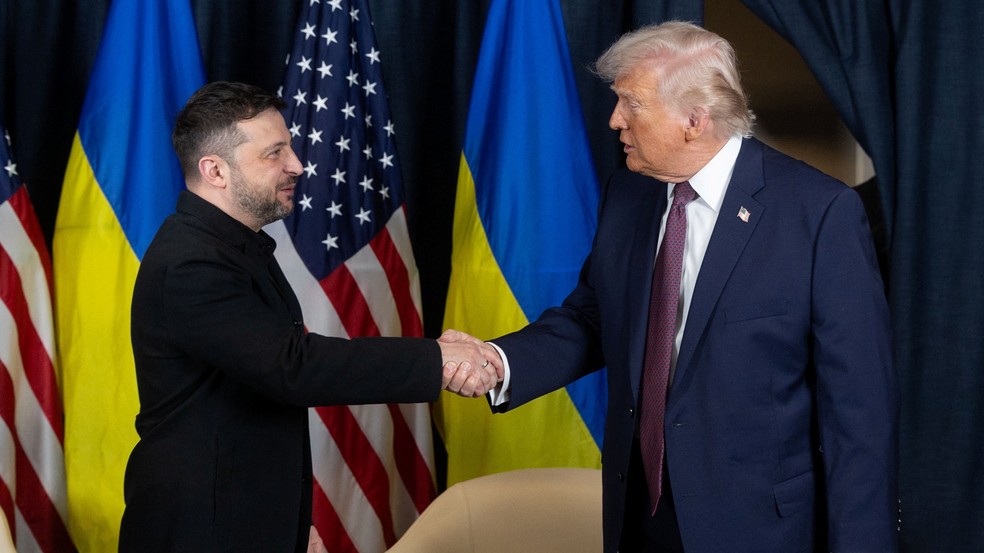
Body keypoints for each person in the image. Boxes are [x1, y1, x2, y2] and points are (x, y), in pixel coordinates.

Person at [442, 21, 898, 553]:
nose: (615, 120)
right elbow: (594, 318)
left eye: (631, 103)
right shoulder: (628, 195)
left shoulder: (819, 215)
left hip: (759, 528)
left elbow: (860, 418)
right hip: (640, 515)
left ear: (694, 120)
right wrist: (501, 362)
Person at [118, 81, 502, 553]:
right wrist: (436, 359)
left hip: (248, 520)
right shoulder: (191, 263)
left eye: (291, 149)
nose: (297, 165)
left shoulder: (232, 245)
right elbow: (293, 367)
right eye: (274, 153)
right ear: (215, 170)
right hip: (200, 529)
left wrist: (290, 525)